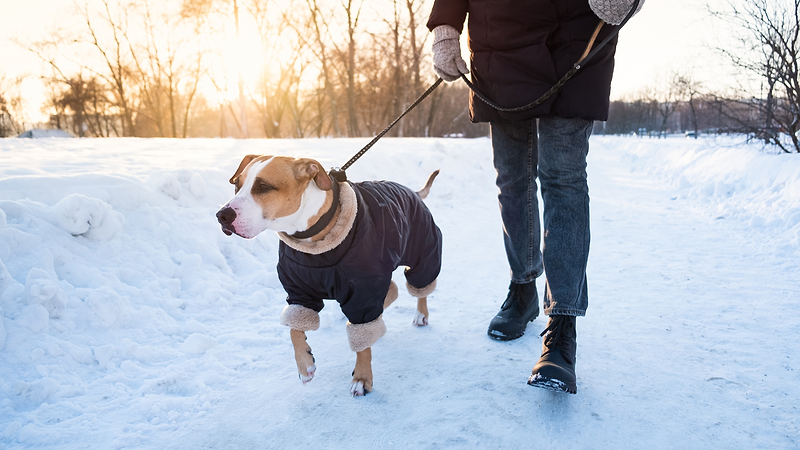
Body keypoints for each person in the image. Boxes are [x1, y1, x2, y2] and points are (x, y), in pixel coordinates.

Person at [427, 0, 643, 394]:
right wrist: (446, 30)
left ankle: (562, 326)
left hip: (576, 34)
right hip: (500, 35)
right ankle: (523, 285)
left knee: (564, 179)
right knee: (512, 178)